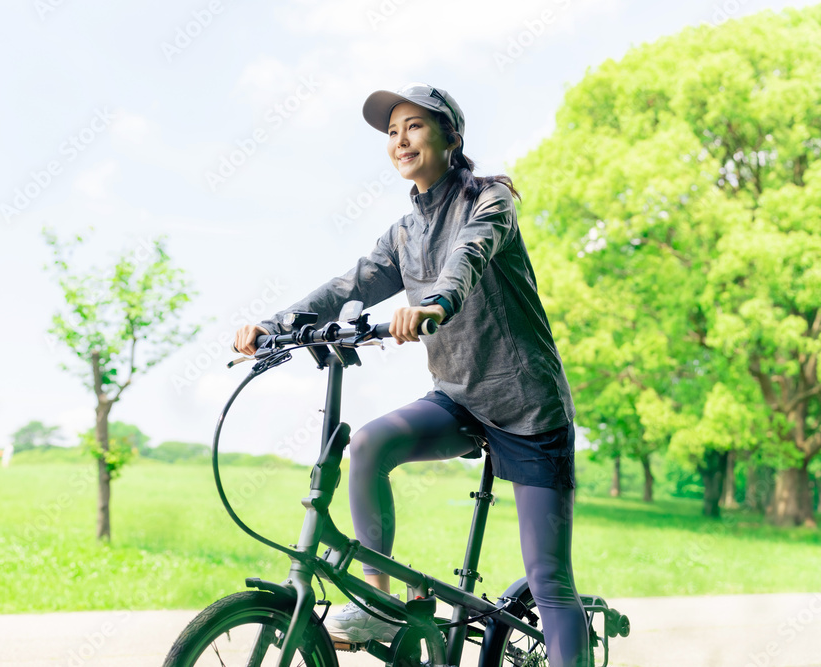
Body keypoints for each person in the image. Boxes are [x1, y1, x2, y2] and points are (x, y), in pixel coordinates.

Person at [233, 82, 589, 666]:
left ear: (452, 136)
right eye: (393, 131)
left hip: (527, 406)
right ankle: (377, 604)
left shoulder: (490, 199)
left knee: (548, 578)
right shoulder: (404, 233)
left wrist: (434, 306)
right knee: (369, 443)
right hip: (458, 398)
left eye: (415, 127)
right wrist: (272, 325)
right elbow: (349, 286)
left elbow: (468, 259)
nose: (401, 140)